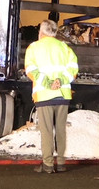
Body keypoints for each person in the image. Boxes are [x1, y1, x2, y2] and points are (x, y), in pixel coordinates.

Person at [25, 19, 79, 174]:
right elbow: (73, 69)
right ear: (55, 32)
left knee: (47, 130)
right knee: (61, 129)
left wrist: (49, 84)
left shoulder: (34, 48)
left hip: (44, 95)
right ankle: (61, 163)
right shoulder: (64, 47)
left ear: (41, 32)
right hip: (63, 94)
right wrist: (60, 81)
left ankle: (48, 164)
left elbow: (31, 71)